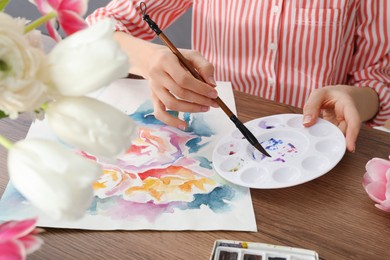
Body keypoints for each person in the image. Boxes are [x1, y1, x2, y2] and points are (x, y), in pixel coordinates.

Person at [87, 0, 389, 153]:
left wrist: (355, 99)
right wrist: (150, 58)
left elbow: (376, 80)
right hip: (215, 142)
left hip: (314, 146)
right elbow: (93, 32)